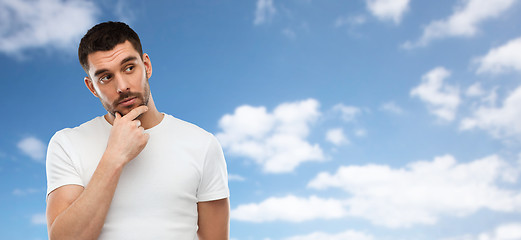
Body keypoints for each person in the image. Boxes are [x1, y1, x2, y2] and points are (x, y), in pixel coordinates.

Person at [45, 21, 230, 240]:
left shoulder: (202, 144)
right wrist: (114, 157)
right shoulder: (67, 144)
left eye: (129, 68)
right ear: (92, 87)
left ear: (147, 66)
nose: (122, 86)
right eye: (106, 77)